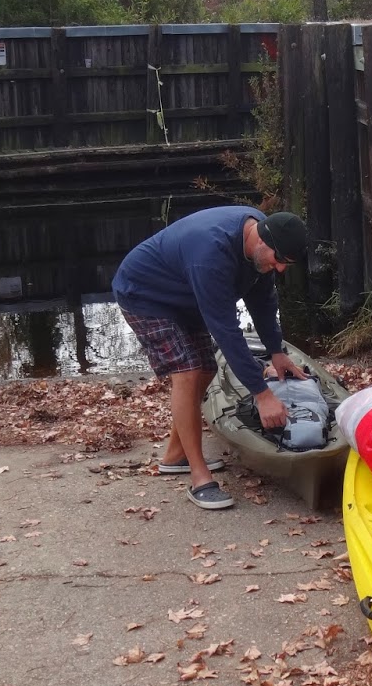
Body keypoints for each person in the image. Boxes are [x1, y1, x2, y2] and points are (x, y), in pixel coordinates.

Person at [112, 205, 308, 510]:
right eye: (279, 260)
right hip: (145, 295)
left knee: (206, 369)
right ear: (260, 243)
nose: (281, 269)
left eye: (287, 264)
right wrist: (261, 394)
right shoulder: (211, 255)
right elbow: (227, 333)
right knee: (188, 372)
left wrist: (277, 352)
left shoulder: (263, 239)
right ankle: (199, 477)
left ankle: (175, 456)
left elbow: (264, 301)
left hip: (185, 293)